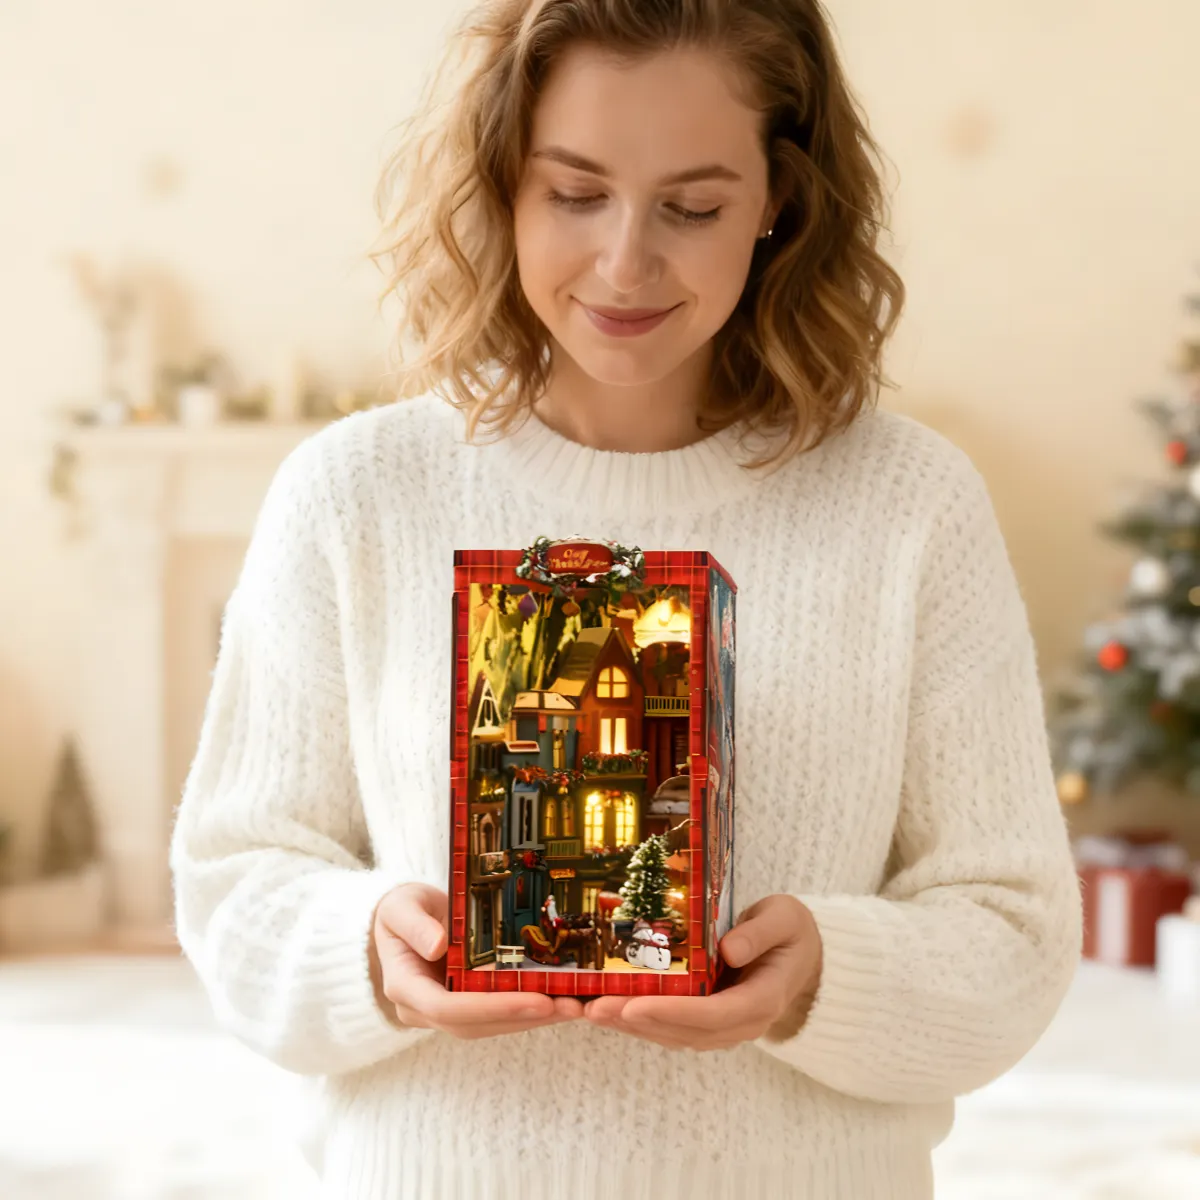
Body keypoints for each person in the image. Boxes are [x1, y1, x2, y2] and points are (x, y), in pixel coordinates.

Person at [170, 1, 1083, 1197]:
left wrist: (823, 975)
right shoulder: (355, 492)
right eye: (573, 193)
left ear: (780, 203)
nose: (624, 263)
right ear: (502, 185)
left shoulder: (908, 503)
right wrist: (370, 952)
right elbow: (237, 886)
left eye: (693, 207)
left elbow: (1015, 933)